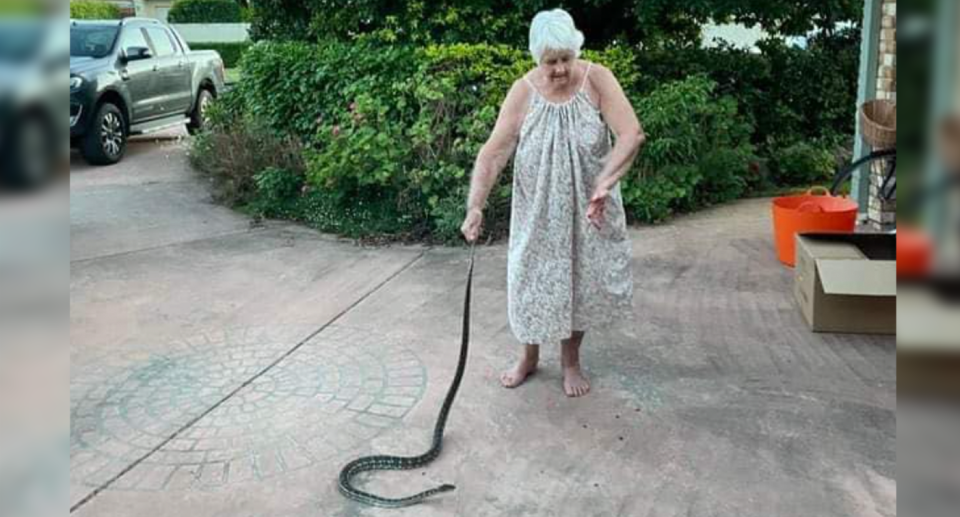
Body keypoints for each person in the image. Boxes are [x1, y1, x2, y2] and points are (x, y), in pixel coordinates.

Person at [461, 8, 645, 397]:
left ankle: (570, 360)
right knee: (530, 281)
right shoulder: (523, 91)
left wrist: (604, 183)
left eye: (566, 58)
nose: (560, 69)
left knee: (583, 281)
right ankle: (528, 356)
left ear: (576, 50)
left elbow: (631, 134)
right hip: (538, 210)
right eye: (551, 62)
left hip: (588, 209)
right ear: (536, 59)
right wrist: (475, 205)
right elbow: (494, 152)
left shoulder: (598, 79)